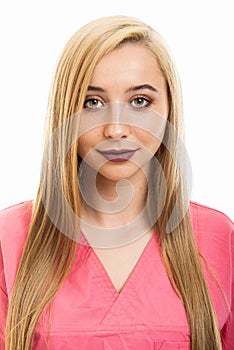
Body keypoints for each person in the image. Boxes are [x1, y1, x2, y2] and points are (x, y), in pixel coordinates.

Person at [0, 15, 233, 350]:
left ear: (169, 109)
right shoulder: (13, 235)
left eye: (140, 101)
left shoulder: (216, 236)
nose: (116, 129)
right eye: (92, 103)